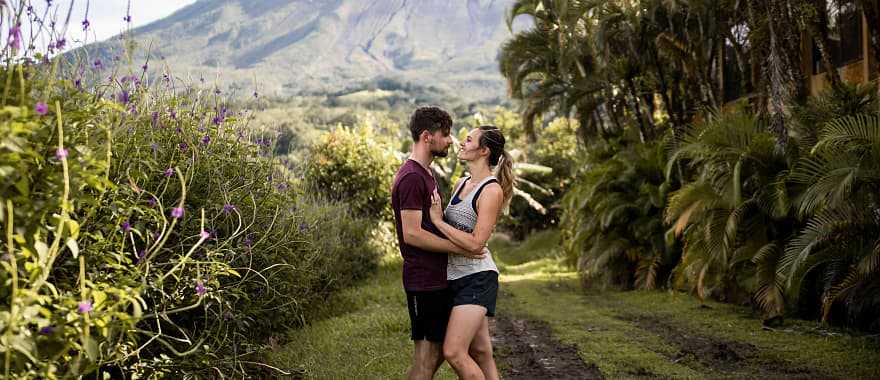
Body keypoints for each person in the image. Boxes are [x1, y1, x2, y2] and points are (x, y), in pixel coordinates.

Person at [391, 106, 487, 380]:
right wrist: (462, 247)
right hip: (424, 280)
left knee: (437, 356)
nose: (450, 141)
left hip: (437, 278)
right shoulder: (411, 177)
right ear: (426, 136)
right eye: (445, 134)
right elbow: (412, 234)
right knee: (427, 359)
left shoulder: (425, 173)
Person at [428, 125, 514, 380]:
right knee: (481, 351)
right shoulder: (461, 182)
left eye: (468, 140)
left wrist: (438, 222)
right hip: (454, 277)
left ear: (484, 150)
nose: (461, 144)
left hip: (477, 277)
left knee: (454, 351)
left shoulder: (491, 190)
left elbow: (477, 243)